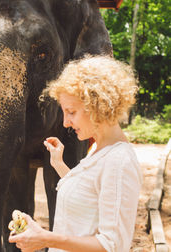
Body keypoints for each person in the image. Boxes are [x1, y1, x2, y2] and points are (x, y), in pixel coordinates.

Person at [9, 55, 142, 252]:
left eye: (71, 112)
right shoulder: (100, 149)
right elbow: (90, 195)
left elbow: (111, 245)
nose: (65, 123)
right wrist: (59, 164)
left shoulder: (119, 162)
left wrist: (46, 239)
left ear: (99, 105)